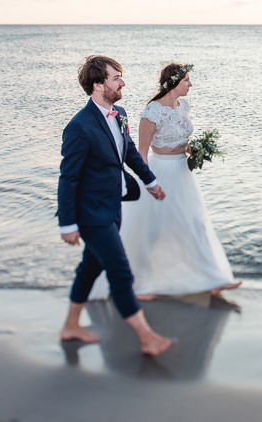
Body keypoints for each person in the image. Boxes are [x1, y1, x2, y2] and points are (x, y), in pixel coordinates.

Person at [89, 62, 240, 301]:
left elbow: (180, 141)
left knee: (195, 223)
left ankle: (213, 279)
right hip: (161, 172)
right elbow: (141, 151)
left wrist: (197, 150)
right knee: (153, 228)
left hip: (183, 174)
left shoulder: (184, 106)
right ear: (174, 83)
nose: (191, 84)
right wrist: (148, 182)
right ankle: (141, 284)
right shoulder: (153, 111)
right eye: (186, 80)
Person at [57, 55, 174, 356]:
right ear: (98, 85)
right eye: (116, 77)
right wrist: (68, 224)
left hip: (113, 207)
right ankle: (146, 337)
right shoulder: (79, 127)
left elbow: (130, 153)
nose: (123, 82)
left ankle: (71, 325)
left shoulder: (118, 113)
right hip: (91, 214)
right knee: (121, 272)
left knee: (89, 267)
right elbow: (68, 179)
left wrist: (150, 182)